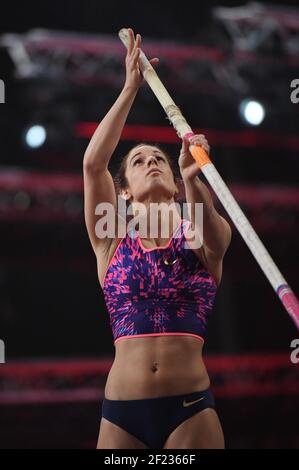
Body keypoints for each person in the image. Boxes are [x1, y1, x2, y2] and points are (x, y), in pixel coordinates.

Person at [83, 28, 232, 449]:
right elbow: (94, 165)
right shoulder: (110, 233)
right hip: (121, 413)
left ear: (173, 180)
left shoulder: (197, 230)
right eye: (138, 160)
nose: (150, 162)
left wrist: (193, 178)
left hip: (190, 411)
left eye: (159, 160)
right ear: (124, 190)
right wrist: (130, 87)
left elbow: (217, 240)